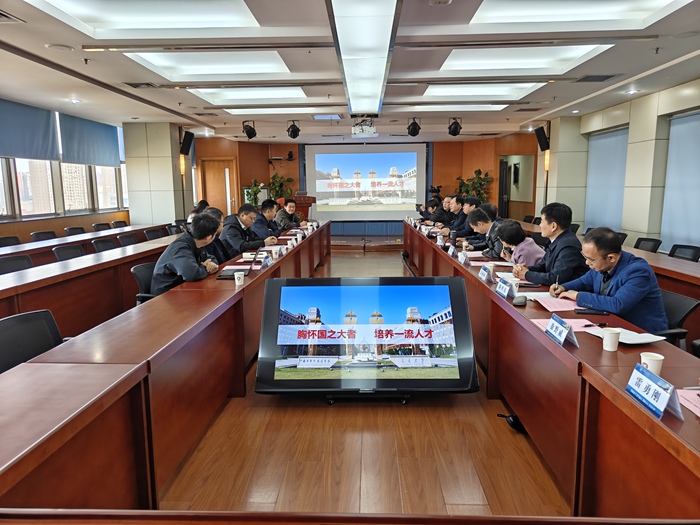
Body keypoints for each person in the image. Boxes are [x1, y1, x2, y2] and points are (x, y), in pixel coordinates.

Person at [550, 227, 668, 333]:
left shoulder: (638, 271)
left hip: (641, 334)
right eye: (585, 257)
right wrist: (564, 287)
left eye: (591, 259)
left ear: (611, 258)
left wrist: (577, 296)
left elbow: (618, 304)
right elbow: (584, 281)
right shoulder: (601, 264)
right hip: (610, 326)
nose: (587, 263)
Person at [512, 202, 588, 285]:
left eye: (542, 221)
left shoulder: (569, 246)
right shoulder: (556, 240)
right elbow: (543, 266)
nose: (540, 225)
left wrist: (527, 274)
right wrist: (525, 269)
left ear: (553, 226)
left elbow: (556, 278)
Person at [151, 213, 220, 296]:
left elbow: (211, 259)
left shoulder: (196, 242)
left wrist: (212, 265)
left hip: (184, 290)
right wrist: (206, 268)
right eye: (215, 234)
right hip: (167, 296)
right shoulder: (180, 249)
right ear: (208, 238)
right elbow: (192, 275)